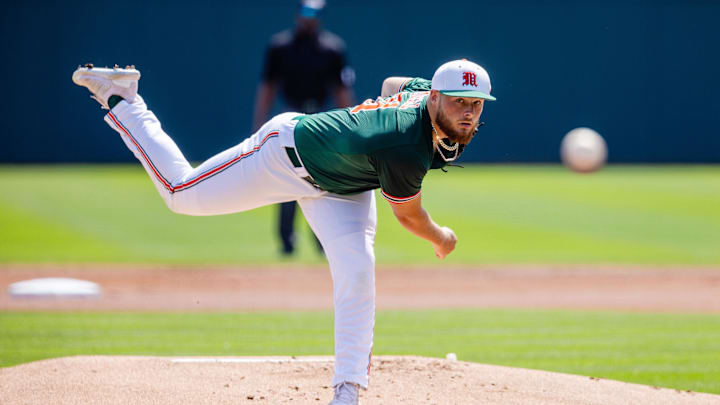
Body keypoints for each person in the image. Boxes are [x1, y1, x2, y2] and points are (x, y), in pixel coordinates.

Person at [72, 58, 496, 405]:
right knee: (181, 193)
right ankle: (125, 99)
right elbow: (409, 218)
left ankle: (347, 393)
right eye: (459, 101)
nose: (468, 111)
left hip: (342, 186)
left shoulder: (425, 95)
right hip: (285, 155)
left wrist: (381, 113)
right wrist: (442, 237)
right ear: (436, 97)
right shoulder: (405, 143)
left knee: (358, 271)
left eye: (476, 104)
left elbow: (391, 83)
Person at [254, 0, 355, 256]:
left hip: (321, 119)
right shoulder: (280, 47)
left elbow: (341, 90)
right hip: (290, 117)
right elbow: (268, 86)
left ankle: (323, 242)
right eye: (305, 13)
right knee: (287, 178)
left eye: (314, 14)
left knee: (323, 180)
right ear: (297, 14)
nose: (309, 18)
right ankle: (287, 241)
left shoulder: (332, 48)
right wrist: (259, 123)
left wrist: (350, 127)